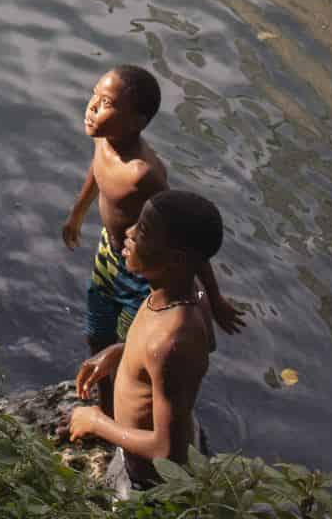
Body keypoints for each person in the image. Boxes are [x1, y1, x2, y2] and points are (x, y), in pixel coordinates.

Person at [62, 64, 247, 350]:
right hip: (109, 251)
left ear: (136, 122)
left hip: (140, 268)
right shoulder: (104, 137)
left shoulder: (142, 175)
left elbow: (184, 231)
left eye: (107, 103)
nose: (92, 107)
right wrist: (77, 214)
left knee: (129, 344)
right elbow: (98, 171)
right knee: (97, 333)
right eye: (94, 95)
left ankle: (195, 311)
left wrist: (214, 296)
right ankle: (103, 394)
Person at [69, 190, 224, 493]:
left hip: (150, 483)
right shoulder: (184, 292)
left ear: (174, 258)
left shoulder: (172, 341)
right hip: (152, 439)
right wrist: (120, 351)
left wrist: (97, 422)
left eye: (141, 231)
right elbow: (208, 343)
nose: (127, 233)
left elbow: (168, 453)